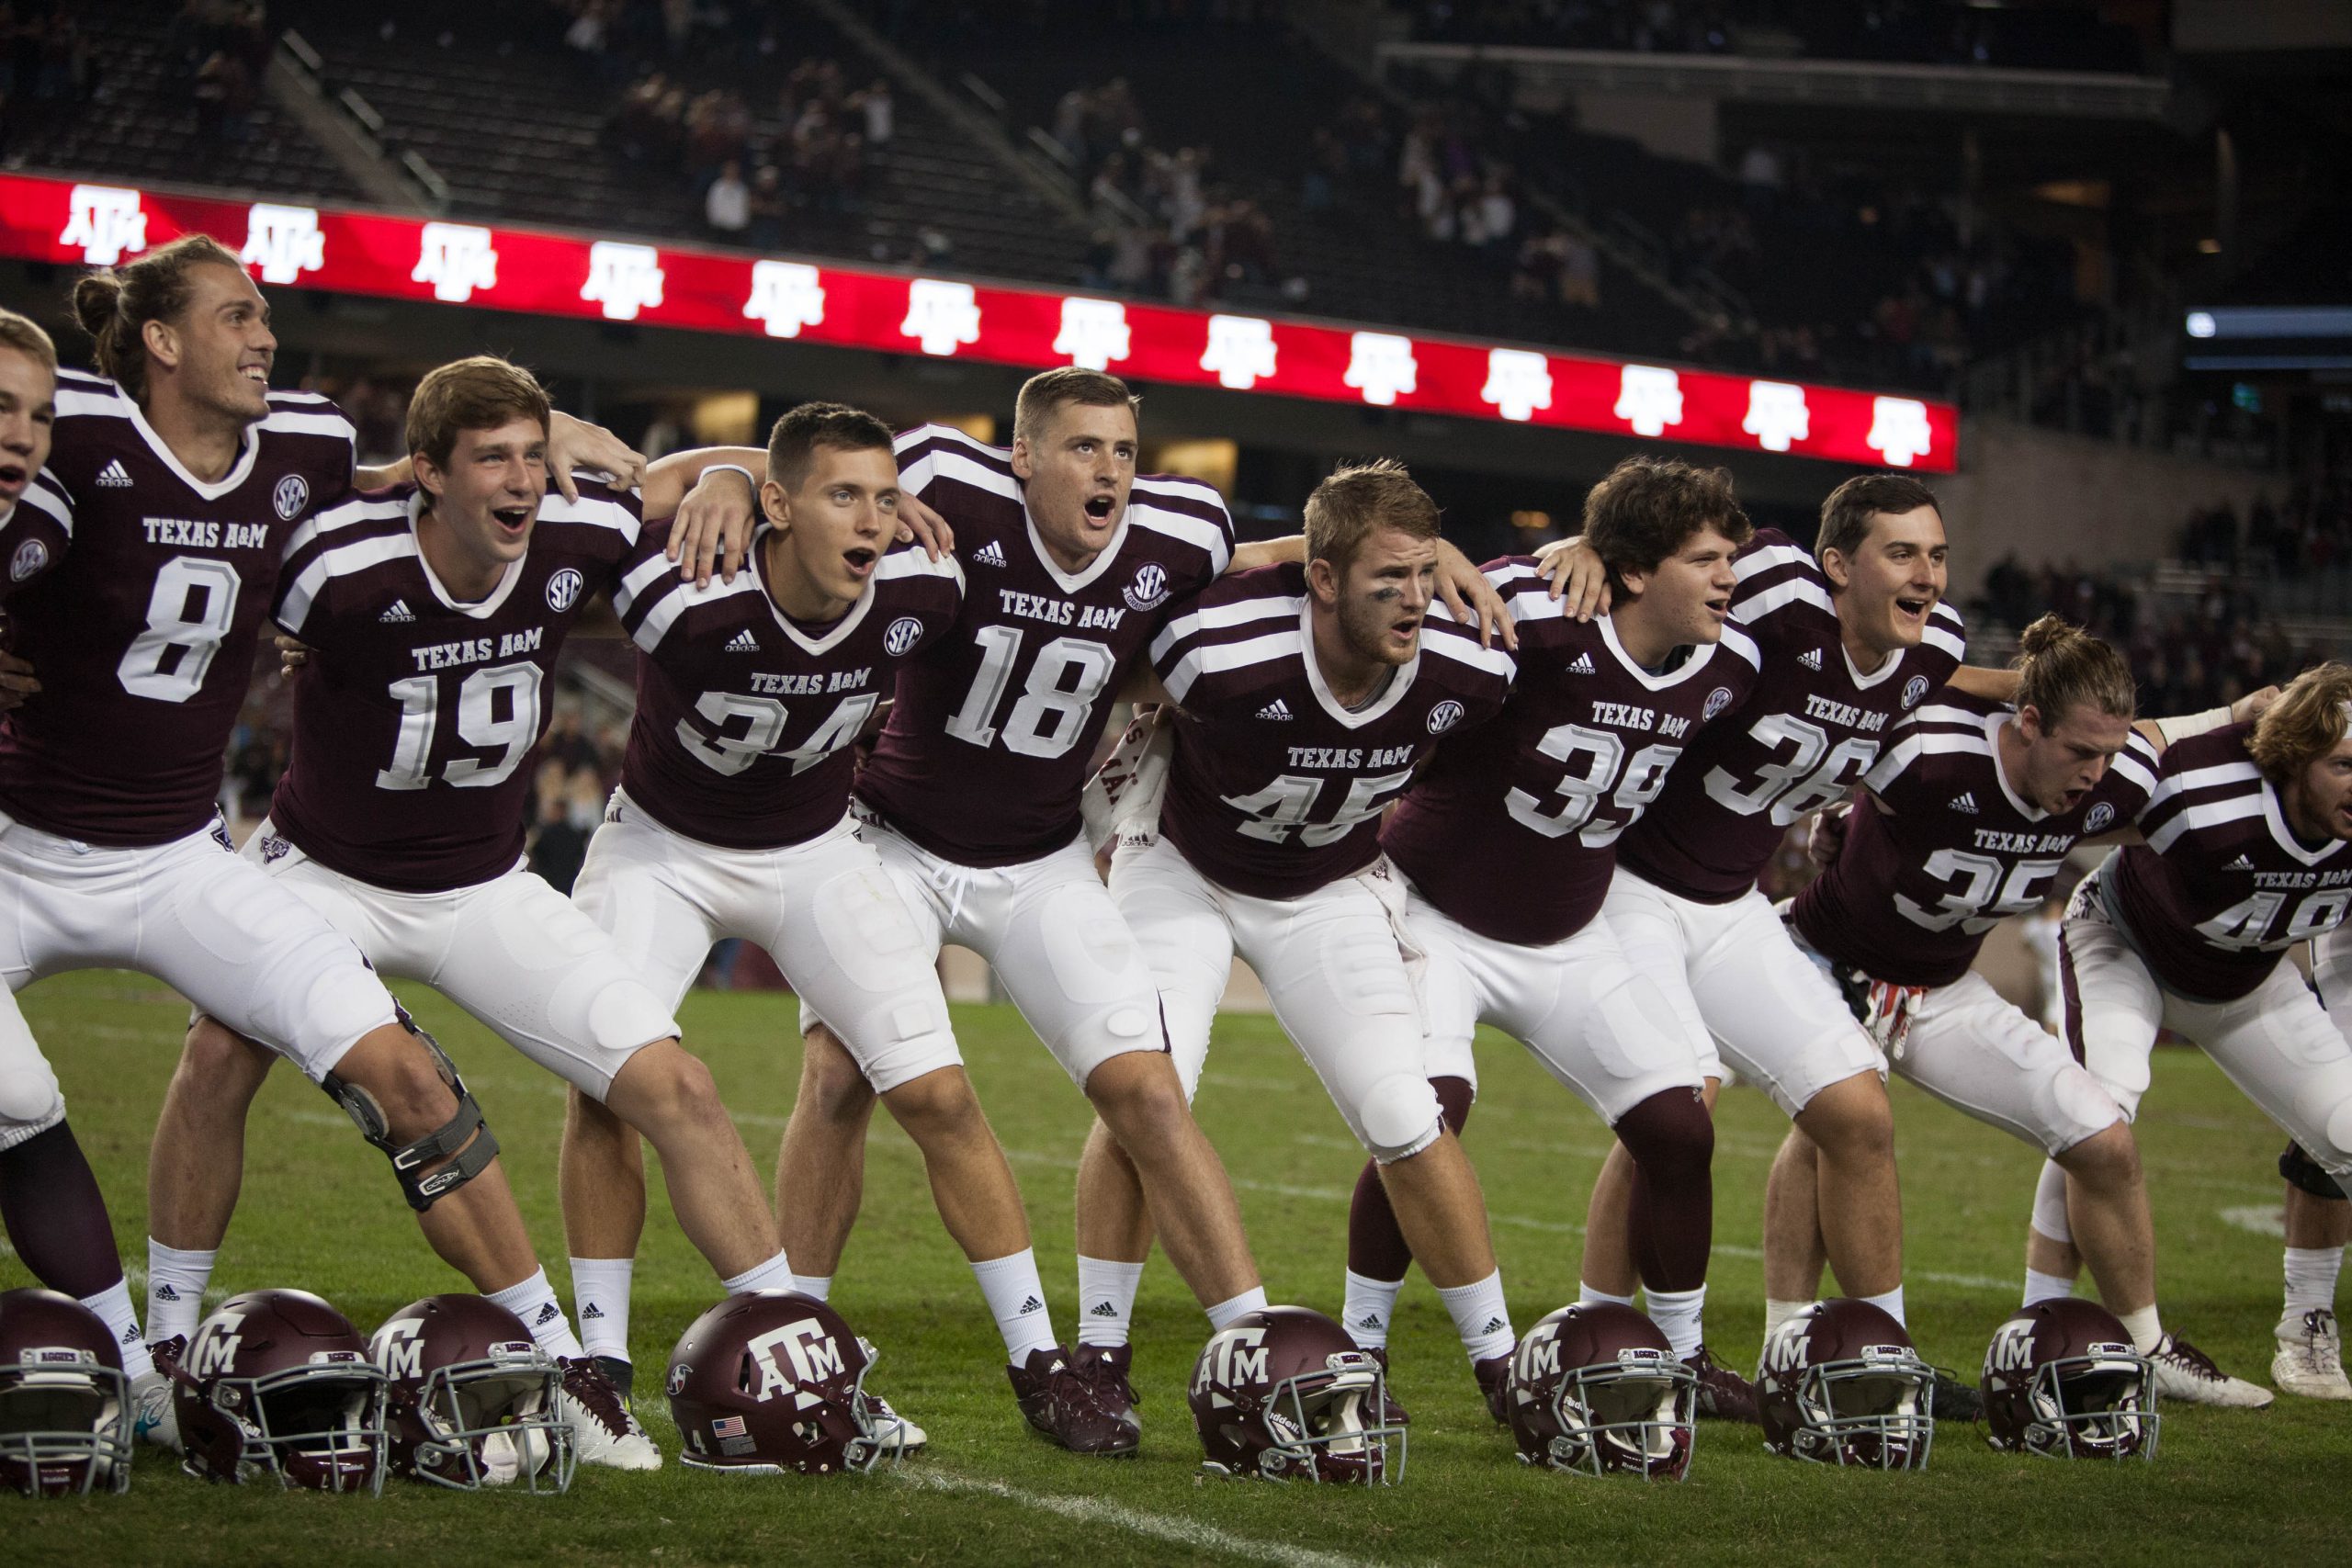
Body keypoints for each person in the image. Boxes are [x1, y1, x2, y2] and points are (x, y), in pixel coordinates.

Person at [628, 369, 1510, 1451]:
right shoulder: (947, 477)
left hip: (1042, 854)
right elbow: (822, 482)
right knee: (840, 1072)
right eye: (1085, 448)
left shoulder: (1179, 528)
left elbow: (1255, 564)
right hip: (893, 838)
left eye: (1126, 452)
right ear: (1023, 457)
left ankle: (1250, 1344)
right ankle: (798, 1332)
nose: (1109, 471)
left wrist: (1409, 566)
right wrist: (725, 465)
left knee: (1146, 1089)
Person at [0, 239, 633, 1456]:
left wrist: (581, 445)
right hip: (21, 847)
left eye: (267, 315)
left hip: (179, 855)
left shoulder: (301, 445)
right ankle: (138, 1366)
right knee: (20, 1094)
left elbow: (413, 474)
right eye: (238, 315)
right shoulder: (70, 433)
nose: (268, 335)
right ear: (162, 343)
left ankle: (560, 1358)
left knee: (402, 1068)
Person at [137, 355, 808, 1469]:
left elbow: (691, 476)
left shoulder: (570, 525)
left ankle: (796, 1341)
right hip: (325, 874)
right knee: (217, 1053)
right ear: (427, 475)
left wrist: (734, 478)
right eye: (491, 458)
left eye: (533, 458)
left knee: (678, 1087)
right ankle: (163, 1343)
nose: (520, 480)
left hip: (486, 885)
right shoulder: (340, 560)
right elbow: (200, 549)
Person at [558, 402, 1060, 1449]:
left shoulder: (922, 585)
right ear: (781, 506)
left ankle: (1042, 1363)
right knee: (608, 1087)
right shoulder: (686, 578)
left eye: (885, 496)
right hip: (662, 849)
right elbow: (536, 579)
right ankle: (595, 1368)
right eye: (842, 496)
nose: (873, 520)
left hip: (816, 852)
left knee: (939, 1092)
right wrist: (725, 476)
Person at [1544, 472, 1989, 1416]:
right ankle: (1603, 1339)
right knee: (1672, 1106)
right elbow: (1665, 562)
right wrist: (1589, 553)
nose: (1926, 575)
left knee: (1859, 1115)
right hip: (1632, 884)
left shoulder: (1932, 649)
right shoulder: (1778, 593)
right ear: (1837, 565)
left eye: (1937, 554)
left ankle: (1879, 1352)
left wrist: (2035, 684)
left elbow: (1946, 680)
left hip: (1731, 904)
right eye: (1901, 553)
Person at [1107, 459, 1524, 1418]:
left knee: (1404, 1111)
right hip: (1182, 865)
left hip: (1329, 882)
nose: (1416, 602)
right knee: (1145, 1087)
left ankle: (1500, 1368)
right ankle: (1097, 1351)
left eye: (1424, 575)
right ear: (1324, 580)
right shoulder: (1217, 644)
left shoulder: (1474, 661)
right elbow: (1103, 652)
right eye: (1389, 580)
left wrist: (1579, 548)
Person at [1345, 455, 1757, 1402]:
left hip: (1572, 930)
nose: (1727, 576)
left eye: (1726, 556)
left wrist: (1591, 541)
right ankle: (1360, 1344)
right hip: (1434, 915)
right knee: (1424, 1116)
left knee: (1678, 1131)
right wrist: (1524, 552)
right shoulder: (1533, 617)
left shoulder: (1729, 659)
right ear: (1637, 571)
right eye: (1703, 559)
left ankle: (1684, 1353)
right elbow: (1401, 598)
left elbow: (1800, 576)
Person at [1787, 615, 2273, 1404]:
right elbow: (1853, 700)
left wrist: (2228, 715)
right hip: (1821, 958)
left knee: (2104, 1139)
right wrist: (1836, 809)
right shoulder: (1932, 750)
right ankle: (1803, 1340)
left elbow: (2157, 735)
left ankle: (2147, 1346)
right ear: (2028, 720)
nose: (2095, 773)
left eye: (2107, 754)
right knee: (1832, 1122)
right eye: (2079, 751)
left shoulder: (2117, 772)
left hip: (1943, 990)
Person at [2052, 662, 2352, 1400]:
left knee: (2346, 1131)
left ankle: (2304, 1334)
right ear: (2295, 757)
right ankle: (2049, 1325)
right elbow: (2061, 802)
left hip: (2248, 985)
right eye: (2345, 764)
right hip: (2127, 945)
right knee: (2099, 1119)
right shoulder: (2207, 790)